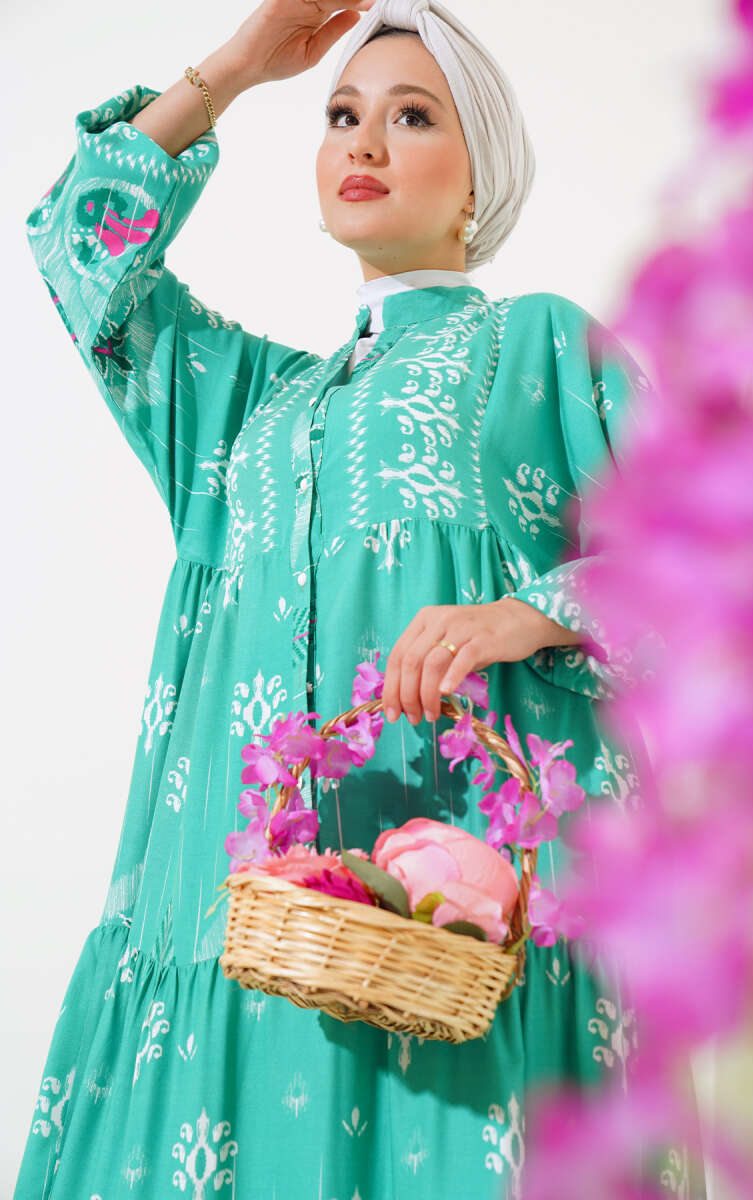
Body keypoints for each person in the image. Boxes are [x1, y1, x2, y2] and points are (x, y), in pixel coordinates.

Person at [15, 1, 708, 1197]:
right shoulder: (241, 406)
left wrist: (523, 614)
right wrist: (239, 65)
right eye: (341, 115)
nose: (364, 144)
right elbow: (83, 253)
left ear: (479, 177)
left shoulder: (540, 350)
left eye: (412, 117)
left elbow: (711, 554)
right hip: (247, 951)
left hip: (463, 961)